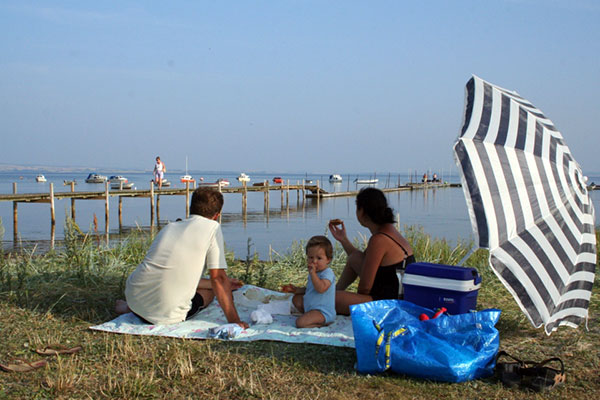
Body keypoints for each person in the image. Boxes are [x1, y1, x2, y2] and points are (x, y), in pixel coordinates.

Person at [115, 188, 248, 328]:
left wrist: (225, 283)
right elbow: (218, 279)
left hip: (134, 296)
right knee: (208, 294)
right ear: (217, 215)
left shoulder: (170, 227)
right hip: (165, 313)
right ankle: (143, 311)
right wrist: (235, 321)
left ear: (191, 208)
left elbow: (173, 272)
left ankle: (130, 309)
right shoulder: (212, 228)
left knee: (169, 283)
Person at [328, 187, 416, 315]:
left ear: (362, 211)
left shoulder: (379, 240)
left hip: (388, 304)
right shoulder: (388, 230)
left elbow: (365, 288)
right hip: (393, 294)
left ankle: (332, 295)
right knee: (354, 257)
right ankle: (334, 290)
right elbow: (360, 259)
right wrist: (343, 239)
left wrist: (351, 300)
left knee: (332, 300)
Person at [284, 236, 336, 328]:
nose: (314, 261)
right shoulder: (314, 273)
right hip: (312, 307)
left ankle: (322, 322)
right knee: (296, 299)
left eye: (319, 258)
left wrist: (313, 274)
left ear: (328, 259)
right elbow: (310, 289)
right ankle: (310, 315)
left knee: (300, 323)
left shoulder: (328, 273)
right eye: (311, 257)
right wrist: (296, 289)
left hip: (322, 311)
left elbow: (321, 288)